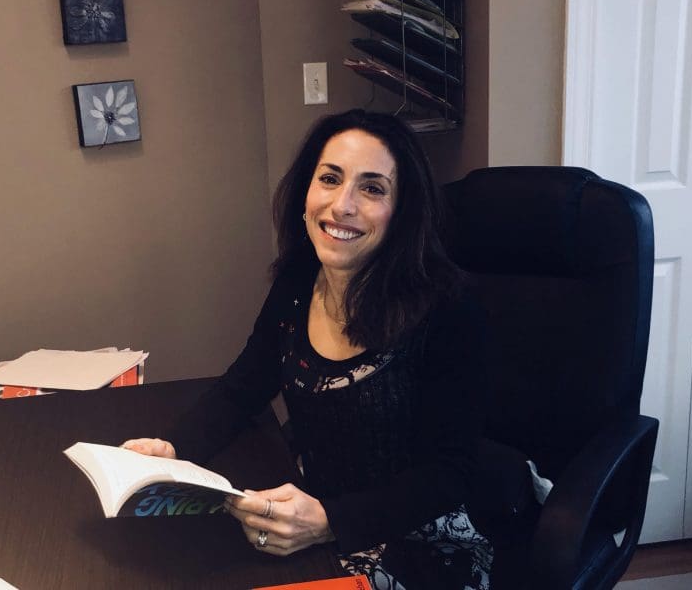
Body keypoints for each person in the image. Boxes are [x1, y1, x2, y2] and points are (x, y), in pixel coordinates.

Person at [122, 109, 491, 589]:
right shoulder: (300, 281)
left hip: (422, 540)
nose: (342, 205)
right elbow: (243, 387)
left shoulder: (446, 308)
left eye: (372, 188)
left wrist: (330, 521)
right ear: (306, 194)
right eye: (330, 179)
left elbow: (450, 473)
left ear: (401, 214)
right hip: (311, 515)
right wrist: (174, 449)